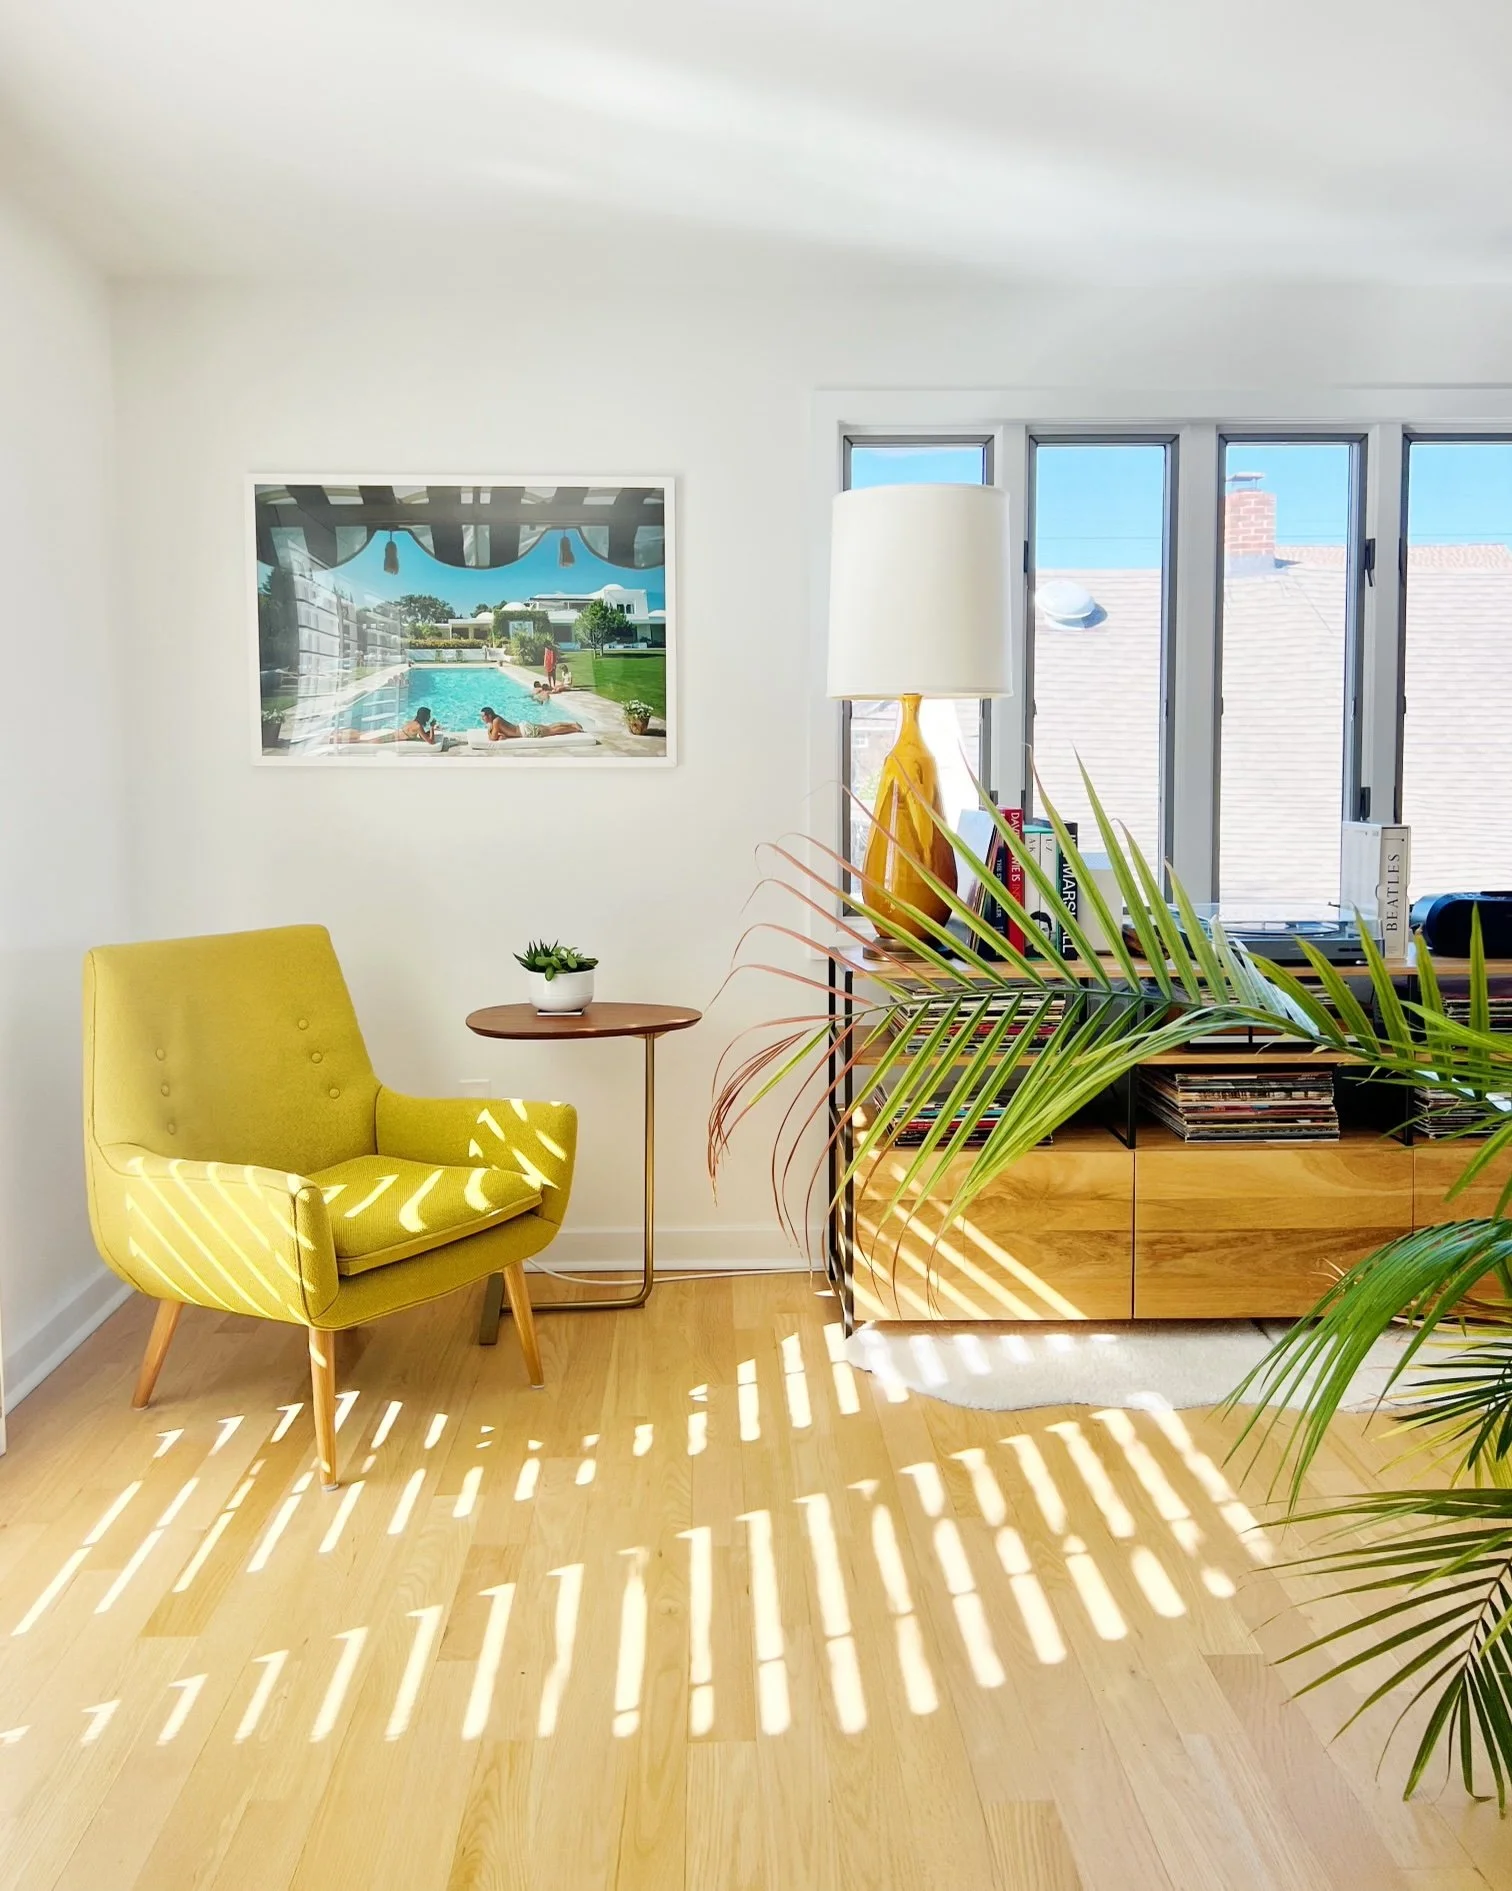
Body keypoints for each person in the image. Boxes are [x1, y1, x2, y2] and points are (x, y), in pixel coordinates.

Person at [480, 705, 582, 741]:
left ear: (489, 715)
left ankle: (574, 728)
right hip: (523, 727)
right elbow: (499, 735)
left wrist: (489, 730)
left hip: (526, 731)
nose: (482, 718)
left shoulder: (495, 721)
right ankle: (572, 724)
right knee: (549, 727)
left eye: (483, 716)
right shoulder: (496, 720)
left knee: (551, 730)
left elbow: (493, 738)